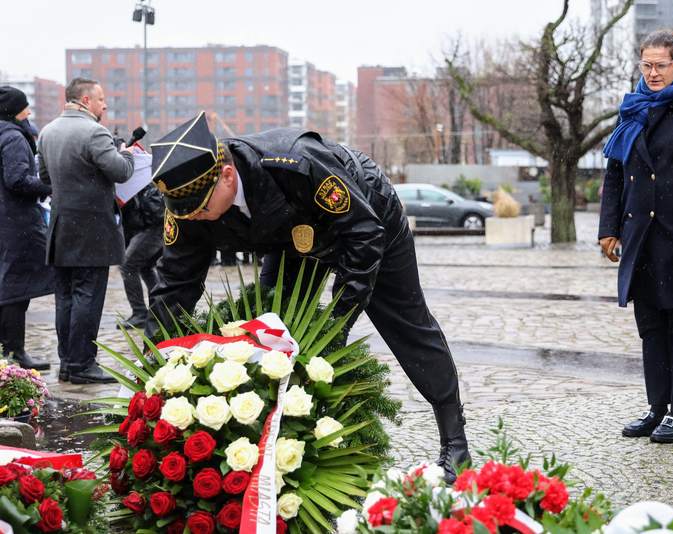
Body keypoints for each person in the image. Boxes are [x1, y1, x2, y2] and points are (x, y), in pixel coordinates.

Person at [145, 113, 470, 482]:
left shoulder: (296, 163)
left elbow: (363, 235)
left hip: (367, 219)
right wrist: (154, 360)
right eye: (188, 213)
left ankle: (455, 443)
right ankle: (284, 447)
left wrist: (339, 319)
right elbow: (174, 283)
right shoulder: (190, 206)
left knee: (407, 325)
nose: (197, 219)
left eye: (203, 208)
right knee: (271, 335)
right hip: (291, 242)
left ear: (228, 175)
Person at [598, 30, 673, 444]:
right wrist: (609, 228)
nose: (652, 73)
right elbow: (616, 172)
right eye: (645, 65)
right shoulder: (631, 108)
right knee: (650, 327)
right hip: (640, 237)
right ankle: (656, 407)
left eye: (660, 65)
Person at [37, 78, 135, 384]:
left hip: (61, 225)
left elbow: (43, 176)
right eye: (101, 99)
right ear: (84, 101)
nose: (105, 105)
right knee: (87, 297)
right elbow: (121, 171)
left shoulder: (48, 131)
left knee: (65, 297)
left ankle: (67, 362)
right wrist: (127, 153)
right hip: (92, 229)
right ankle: (82, 365)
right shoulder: (95, 132)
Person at [0, 87, 55, 370]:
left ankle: (5, 353)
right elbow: (18, 180)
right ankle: (14, 353)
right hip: (16, 223)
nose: (29, 112)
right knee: (16, 289)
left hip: (5, 221)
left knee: (7, 285)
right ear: (13, 111)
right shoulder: (12, 137)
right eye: (25, 107)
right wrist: (50, 186)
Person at [117, 182, 164, 329]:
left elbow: (153, 209)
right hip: (150, 226)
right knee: (144, 266)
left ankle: (140, 313)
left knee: (127, 265)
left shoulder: (141, 176)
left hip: (152, 226)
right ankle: (160, 308)